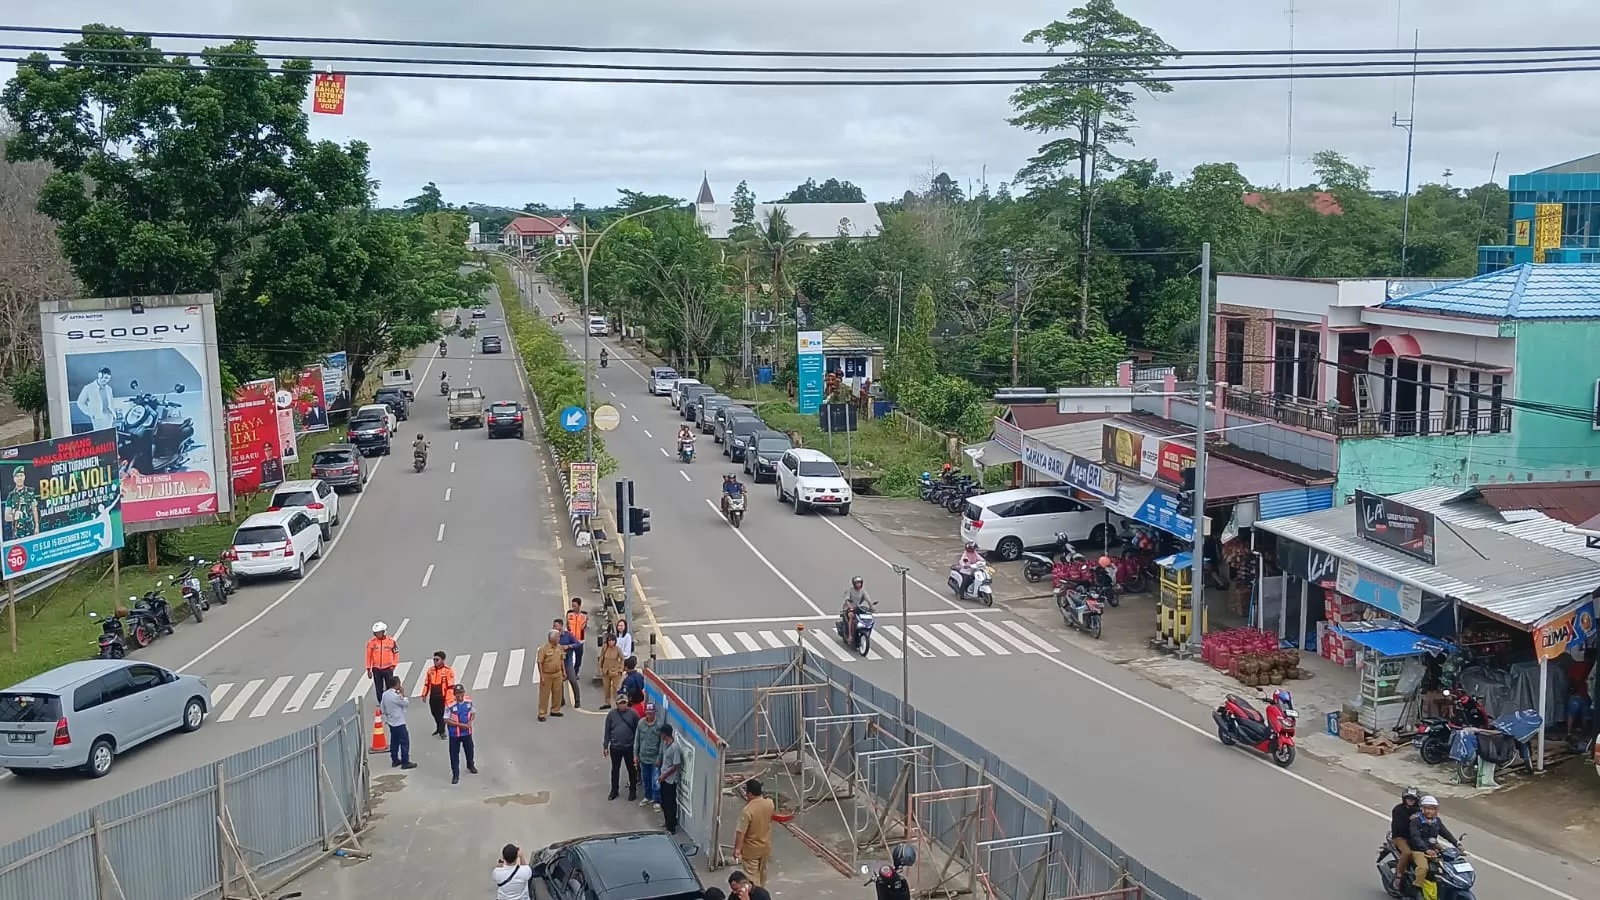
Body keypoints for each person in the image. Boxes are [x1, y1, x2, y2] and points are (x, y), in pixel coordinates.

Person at [1406, 796, 1459, 889]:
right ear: (1422, 809)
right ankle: (1416, 888)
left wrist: (1457, 844)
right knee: (1423, 868)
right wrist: (1426, 850)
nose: (1430, 811)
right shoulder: (1416, 821)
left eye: (1432, 809)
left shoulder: (1436, 821)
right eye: (1427, 808)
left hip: (1433, 848)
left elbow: (1445, 833)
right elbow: (1416, 837)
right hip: (1418, 850)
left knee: (1448, 864)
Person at [734, 779, 776, 886]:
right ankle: (762, 894)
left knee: (752, 878)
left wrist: (737, 849)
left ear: (750, 793)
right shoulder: (770, 804)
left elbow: (741, 832)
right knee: (762, 874)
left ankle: (756, 895)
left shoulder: (747, 811)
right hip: (765, 846)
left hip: (751, 850)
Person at [602, 692, 641, 801]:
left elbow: (638, 731)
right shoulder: (611, 715)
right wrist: (605, 746)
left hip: (629, 747)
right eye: (620, 703)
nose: (623, 705)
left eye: (624, 703)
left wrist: (637, 748)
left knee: (631, 770)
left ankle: (632, 791)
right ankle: (614, 790)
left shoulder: (633, 714)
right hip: (615, 747)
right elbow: (607, 731)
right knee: (615, 770)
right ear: (617, 704)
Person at [379, 676, 417, 770]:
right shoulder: (395, 696)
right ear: (397, 684)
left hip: (391, 722)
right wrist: (403, 694)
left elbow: (382, 708)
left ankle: (395, 760)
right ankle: (405, 762)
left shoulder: (385, 694)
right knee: (404, 742)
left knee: (394, 741)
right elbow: (405, 703)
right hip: (399, 722)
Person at [633, 702, 664, 810]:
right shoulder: (641, 723)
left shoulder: (659, 725)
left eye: (651, 713)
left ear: (654, 713)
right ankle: (647, 796)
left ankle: (656, 800)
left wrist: (659, 758)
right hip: (643, 757)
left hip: (654, 758)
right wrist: (635, 755)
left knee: (656, 781)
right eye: (647, 713)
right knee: (645, 779)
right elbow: (637, 740)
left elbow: (661, 743)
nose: (649, 715)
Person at [1389, 787, 1421, 891]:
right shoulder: (1398, 810)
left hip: (1415, 837)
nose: (1410, 800)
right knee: (1407, 853)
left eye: (1413, 798)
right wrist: (1410, 821)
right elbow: (1398, 827)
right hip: (1400, 837)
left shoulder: (1419, 811)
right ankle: (1399, 876)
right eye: (1408, 798)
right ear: (1404, 798)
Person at [444, 684, 476, 784]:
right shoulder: (450, 704)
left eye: (461, 693)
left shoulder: (468, 701)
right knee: (454, 755)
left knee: (470, 749)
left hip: (467, 732)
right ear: (454, 694)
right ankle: (455, 775)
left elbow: (473, 712)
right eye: (457, 693)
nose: (459, 695)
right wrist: (459, 725)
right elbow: (446, 719)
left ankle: (470, 765)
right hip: (455, 734)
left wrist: (470, 722)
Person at [2, 465, 41, 542]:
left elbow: (34, 509)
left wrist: (37, 526)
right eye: (17, 476)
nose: (19, 478)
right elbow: (6, 517)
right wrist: (14, 516)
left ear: (24, 477)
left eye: (21, 475)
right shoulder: (11, 496)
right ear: (14, 479)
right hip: (17, 533)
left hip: (31, 530)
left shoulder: (30, 491)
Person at [76, 366, 119, 432]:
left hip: (109, 416)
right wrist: (90, 413)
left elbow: (111, 402)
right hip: (98, 417)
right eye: (105, 378)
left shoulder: (109, 388)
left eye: (108, 378)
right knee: (99, 437)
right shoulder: (89, 388)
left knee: (109, 436)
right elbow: (80, 402)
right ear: (99, 375)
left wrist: (113, 413)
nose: (106, 380)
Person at [365, 622, 399, 706]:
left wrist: (393, 665)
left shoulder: (391, 642)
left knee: (390, 687)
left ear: (384, 632)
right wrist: (368, 669)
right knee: (378, 688)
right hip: (376, 669)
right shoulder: (371, 643)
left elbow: (396, 654)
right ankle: (381, 703)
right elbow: (368, 656)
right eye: (376, 633)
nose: (377, 634)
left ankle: (390, 702)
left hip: (388, 668)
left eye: (379, 632)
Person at [423, 651, 456, 738]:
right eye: (434, 659)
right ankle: (439, 727)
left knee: (442, 715)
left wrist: (448, 699)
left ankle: (442, 731)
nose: (435, 661)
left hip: (442, 696)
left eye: (437, 659)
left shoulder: (448, 671)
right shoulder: (430, 670)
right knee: (434, 713)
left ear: (443, 660)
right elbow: (427, 683)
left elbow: (450, 687)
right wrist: (424, 694)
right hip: (433, 696)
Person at [659, 724, 684, 833]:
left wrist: (664, 775)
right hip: (664, 778)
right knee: (664, 802)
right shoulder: (665, 744)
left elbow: (676, 765)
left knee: (670, 803)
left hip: (670, 780)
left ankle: (671, 826)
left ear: (665, 734)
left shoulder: (675, 748)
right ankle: (667, 821)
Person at [536, 630, 566, 720]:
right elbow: (540, 663)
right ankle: (542, 713)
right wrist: (542, 676)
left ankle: (555, 710)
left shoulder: (560, 647)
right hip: (547, 674)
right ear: (552, 638)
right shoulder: (543, 649)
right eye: (557, 637)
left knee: (557, 693)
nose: (559, 639)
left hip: (557, 674)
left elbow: (562, 660)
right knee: (544, 695)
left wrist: (564, 671)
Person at [841, 576, 874, 646]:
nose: (858, 584)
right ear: (854, 584)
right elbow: (847, 600)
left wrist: (871, 607)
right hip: (848, 609)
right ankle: (850, 636)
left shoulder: (863, 592)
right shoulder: (849, 590)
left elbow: (868, 600)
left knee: (867, 617)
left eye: (859, 583)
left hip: (858, 608)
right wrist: (850, 607)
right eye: (857, 583)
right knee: (851, 616)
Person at [599, 635, 625, 707]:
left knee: (616, 688)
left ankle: (618, 703)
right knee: (606, 688)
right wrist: (600, 668)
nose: (611, 642)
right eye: (609, 640)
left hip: (615, 671)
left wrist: (620, 669)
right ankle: (607, 703)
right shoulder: (605, 648)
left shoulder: (618, 649)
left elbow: (622, 659)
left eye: (612, 640)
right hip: (606, 671)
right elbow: (601, 658)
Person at [565, 599, 589, 674]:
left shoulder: (584, 615)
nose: (573, 607)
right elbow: (567, 625)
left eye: (575, 606)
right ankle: (568, 671)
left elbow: (585, 627)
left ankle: (575, 672)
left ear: (579, 605)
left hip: (579, 640)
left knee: (578, 658)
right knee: (568, 657)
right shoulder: (569, 614)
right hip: (570, 640)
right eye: (572, 605)